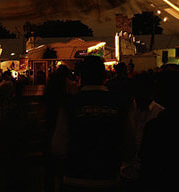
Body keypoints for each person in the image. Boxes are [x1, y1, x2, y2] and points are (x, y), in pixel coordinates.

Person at [51, 55, 133, 191]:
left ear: (81, 76)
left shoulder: (70, 105)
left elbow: (58, 147)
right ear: (104, 75)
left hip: (75, 178)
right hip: (108, 179)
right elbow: (130, 146)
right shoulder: (120, 104)